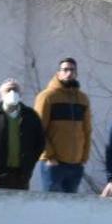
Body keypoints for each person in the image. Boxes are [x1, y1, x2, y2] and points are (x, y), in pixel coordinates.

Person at [0, 78, 43, 190]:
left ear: (20, 94)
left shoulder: (31, 115)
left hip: (21, 175)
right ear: (1, 95)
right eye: (8, 90)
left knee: (20, 206)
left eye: (15, 90)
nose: (12, 93)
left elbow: (40, 141)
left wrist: (30, 160)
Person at [34, 57, 92, 193]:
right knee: (52, 208)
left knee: (70, 209)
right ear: (58, 73)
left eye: (72, 70)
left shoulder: (83, 99)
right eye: (65, 69)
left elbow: (87, 130)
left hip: (76, 164)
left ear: (76, 73)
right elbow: (37, 130)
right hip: (54, 164)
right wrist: (48, 156)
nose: (69, 73)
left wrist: (84, 157)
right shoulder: (47, 96)